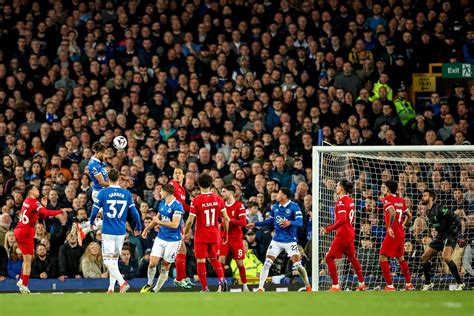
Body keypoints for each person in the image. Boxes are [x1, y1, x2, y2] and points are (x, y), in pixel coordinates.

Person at [248, 187, 311, 292]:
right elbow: (270, 221)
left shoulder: (294, 207)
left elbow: (300, 222)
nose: (276, 196)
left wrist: (289, 222)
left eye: (279, 194)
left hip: (290, 240)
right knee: (267, 263)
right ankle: (260, 288)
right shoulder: (276, 206)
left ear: (284, 196)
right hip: (276, 241)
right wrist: (255, 224)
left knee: (297, 265)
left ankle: (307, 285)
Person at [89, 168, 142, 293]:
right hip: (121, 231)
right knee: (113, 260)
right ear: (119, 179)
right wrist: (138, 226)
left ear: (107, 179)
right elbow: (135, 212)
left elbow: (94, 211)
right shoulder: (127, 194)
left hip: (108, 231)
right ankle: (111, 288)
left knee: (108, 261)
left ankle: (122, 282)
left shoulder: (103, 192)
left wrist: (91, 222)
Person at [14, 184, 69, 294]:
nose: (38, 191)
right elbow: (47, 213)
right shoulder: (34, 201)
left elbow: (42, 216)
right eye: (35, 189)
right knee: (28, 261)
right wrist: (60, 211)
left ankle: (21, 280)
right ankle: (24, 285)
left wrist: (43, 205)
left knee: (27, 258)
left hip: (19, 230)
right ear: (30, 192)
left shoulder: (27, 201)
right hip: (26, 233)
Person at [183, 172, 230, 292]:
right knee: (213, 258)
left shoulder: (196, 200)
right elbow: (226, 218)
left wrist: (185, 233)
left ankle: (205, 287)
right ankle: (222, 279)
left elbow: (190, 221)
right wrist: (225, 233)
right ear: (211, 184)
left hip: (201, 236)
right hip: (214, 235)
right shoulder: (218, 199)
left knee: (200, 261)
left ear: (199, 185)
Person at [321, 180, 367, 292]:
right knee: (352, 258)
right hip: (350, 232)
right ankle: (361, 284)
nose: (336, 187)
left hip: (343, 234)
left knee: (329, 258)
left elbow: (342, 219)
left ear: (341, 188)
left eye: (337, 186)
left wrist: (329, 228)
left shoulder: (341, 201)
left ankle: (335, 286)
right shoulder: (350, 200)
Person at [140, 183, 184, 293]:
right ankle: (149, 283)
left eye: (161, 191)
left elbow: (175, 224)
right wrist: (147, 229)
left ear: (166, 192)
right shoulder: (162, 203)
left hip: (173, 240)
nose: (160, 193)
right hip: (161, 237)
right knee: (152, 263)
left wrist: (159, 222)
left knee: (165, 266)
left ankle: (155, 289)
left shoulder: (177, 206)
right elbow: (156, 219)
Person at [420, 190, 465, 291]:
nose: (423, 197)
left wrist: (459, 235)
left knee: (446, 257)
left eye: (425, 196)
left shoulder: (440, 208)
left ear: (431, 198)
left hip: (450, 235)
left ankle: (460, 283)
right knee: (424, 257)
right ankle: (428, 283)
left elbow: (456, 218)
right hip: (440, 237)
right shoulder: (428, 212)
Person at [379, 180, 414, 291]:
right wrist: (403, 225)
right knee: (400, 258)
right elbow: (409, 215)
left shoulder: (387, 199)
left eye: (384, 187)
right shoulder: (401, 200)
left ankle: (390, 286)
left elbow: (392, 212)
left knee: (382, 257)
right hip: (401, 233)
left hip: (393, 233)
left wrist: (389, 227)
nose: (383, 189)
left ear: (388, 189)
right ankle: (408, 284)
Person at [218, 184, 248, 292]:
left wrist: (230, 220)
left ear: (230, 193)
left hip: (236, 238)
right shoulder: (221, 205)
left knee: (240, 263)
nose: (222, 194)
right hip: (224, 237)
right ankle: (221, 285)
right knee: (221, 260)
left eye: (224, 191)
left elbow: (243, 222)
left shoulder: (239, 205)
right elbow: (217, 219)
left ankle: (245, 286)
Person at [168, 167, 193, 289]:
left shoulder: (182, 190)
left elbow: (182, 206)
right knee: (181, 250)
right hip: (173, 221)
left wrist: (193, 209)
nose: (177, 175)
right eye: (175, 173)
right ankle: (179, 278)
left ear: (183, 176)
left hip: (179, 221)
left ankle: (181, 278)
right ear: (173, 176)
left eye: (179, 173)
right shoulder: (172, 185)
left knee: (183, 251)